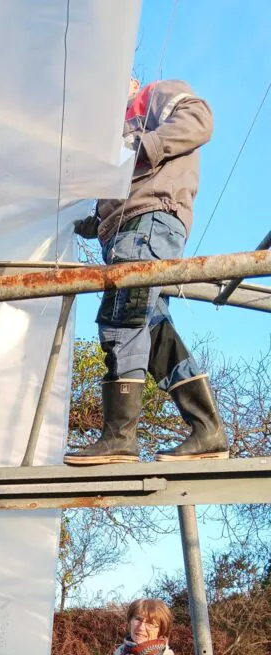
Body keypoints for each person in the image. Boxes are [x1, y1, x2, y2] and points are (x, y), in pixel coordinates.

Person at [66, 77, 228, 465]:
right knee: (152, 331)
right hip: (132, 231)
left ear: (131, 81)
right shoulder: (114, 136)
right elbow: (123, 193)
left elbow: (199, 119)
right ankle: (207, 430)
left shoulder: (153, 96)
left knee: (122, 319)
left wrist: (146, 146)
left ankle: (119, 437)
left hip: (148, 224)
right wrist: (93, 221)